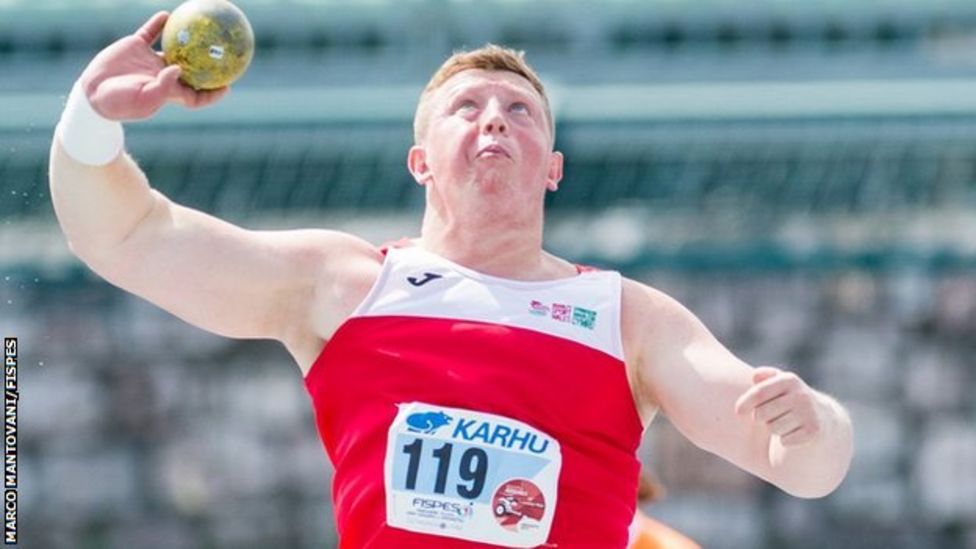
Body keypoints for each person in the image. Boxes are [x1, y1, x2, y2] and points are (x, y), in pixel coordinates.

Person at [49, 11, 854, 549]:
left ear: (554, 170)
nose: (496, 117)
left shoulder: (625, 316)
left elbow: (801, 464)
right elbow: (125, 235)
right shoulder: (342, 284)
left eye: (522, 110)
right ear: (420, 162)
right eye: (467, 106)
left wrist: (812, 420)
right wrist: (92, 115)